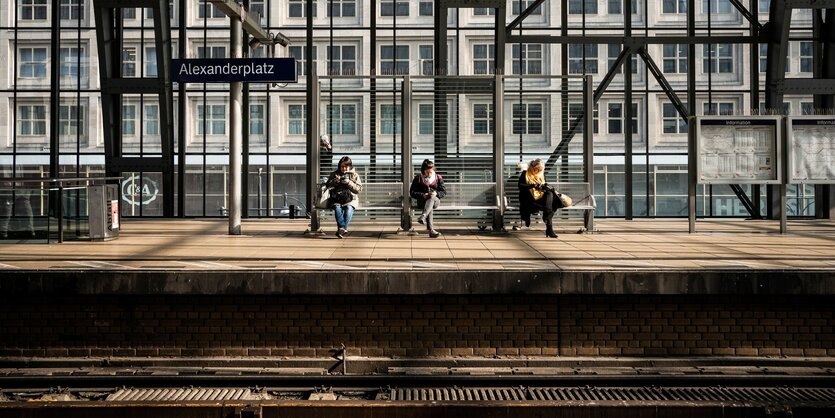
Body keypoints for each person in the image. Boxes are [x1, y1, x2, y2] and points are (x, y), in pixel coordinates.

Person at [518, 159, 561, 238]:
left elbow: (544, 188)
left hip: (539, 199)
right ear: (533, 167)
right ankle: (549, 229)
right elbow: (520, 186)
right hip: (529, 200)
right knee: (549, 209)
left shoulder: (541, 175)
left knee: (549, 193)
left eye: (540, 170)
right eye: (537, 169)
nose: (538, 171)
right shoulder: (525, 174)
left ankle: (548, 221)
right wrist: (533, 185)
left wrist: (543, 186)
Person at [326, 156, 362, 238]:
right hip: (337, 198)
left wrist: (348, 182)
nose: (344, 168)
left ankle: (341, 229)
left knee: (349, 208)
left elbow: (358, 190)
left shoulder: (354, 175)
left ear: (350, 166)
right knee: (337, 207)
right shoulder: (334, 174)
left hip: (351, 199)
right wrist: (336, 181)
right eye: (342, 166)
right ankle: (343, 228)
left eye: (346, 166)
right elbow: (328, 186)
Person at [409, 159, 446, 238]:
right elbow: (412, 192)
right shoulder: (418, 178)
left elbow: (443, 192)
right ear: (423, 171)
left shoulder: (438, 177)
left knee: (432, 198)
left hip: (435, 201)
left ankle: (423, 216)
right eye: (427, 172)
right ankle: (431, 231)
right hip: (422, 202)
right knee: (429, 206)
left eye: (431, 172)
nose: (429, 174)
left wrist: (436, 193)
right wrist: (422, 195)